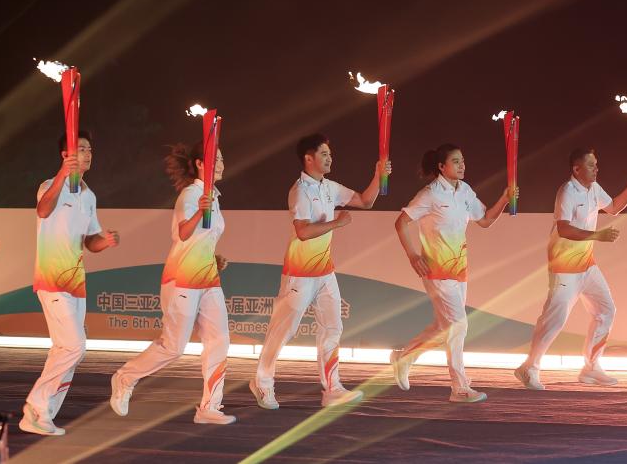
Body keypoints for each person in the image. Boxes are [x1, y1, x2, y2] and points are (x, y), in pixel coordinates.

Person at [251, 133, 391, 409]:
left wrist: (378, 175)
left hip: (325, 272)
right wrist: (336, 224)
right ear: (309, 158)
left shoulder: (329, 187)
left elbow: (365, 201)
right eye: (324, 154)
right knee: (283, 330)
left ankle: (332, 388)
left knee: (332, 327)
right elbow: (303, 232)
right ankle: (262, 382)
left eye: (330, 154)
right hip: (299, 274)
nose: (330, 158)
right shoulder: (300, 191)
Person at [110, 143, 234, 424]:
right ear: (200, 164)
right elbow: (183, 232)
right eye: (217, 158)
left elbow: (201, 240)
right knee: (173, 347)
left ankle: (210, 407)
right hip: (181, 280)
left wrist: (213, 258)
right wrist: (198, 212)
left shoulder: (213, 197)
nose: (222, 163)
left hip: (207, 279)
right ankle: (125, 377)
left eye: (222, 158)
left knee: (219, 340)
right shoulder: (190, 195)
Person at [515, 147, 627, 390]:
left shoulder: (593, 188)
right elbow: (564, 228)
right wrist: (597, 235)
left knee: (606, 310)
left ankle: (591, 368)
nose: (596, 169)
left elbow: (614, 207)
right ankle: (529, 367)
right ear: (576, 169)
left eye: (596, 164)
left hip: (587, 265)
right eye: (590, 165)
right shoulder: (567, 191)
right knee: (554, 320)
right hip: (564, 267)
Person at [390, 144, 510, 403]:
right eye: (456, 161)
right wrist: (413, 256)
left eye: (462, 160)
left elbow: (485, 220)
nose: (462, 165)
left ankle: (404, 356)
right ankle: (460, 388)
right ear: (441, 167)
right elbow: (401, 223)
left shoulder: (464, 191)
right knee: (458, 325)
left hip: (458, 270)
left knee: (443, 328)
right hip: (436, 271)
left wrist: (504, 199)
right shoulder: (430, 194)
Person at [21, 130, 119, 436]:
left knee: (66, 349)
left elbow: (90, 242)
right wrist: (64, 174)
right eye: (81, 149)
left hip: (76, 284)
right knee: (75, 347)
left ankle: (42, 415)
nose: (88, 154)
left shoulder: (89, 196)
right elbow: (42, 210)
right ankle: (36, 403)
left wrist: (106, 241)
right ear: (66, 155)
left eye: (89, 149)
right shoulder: (49, 186)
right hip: (51, 280)